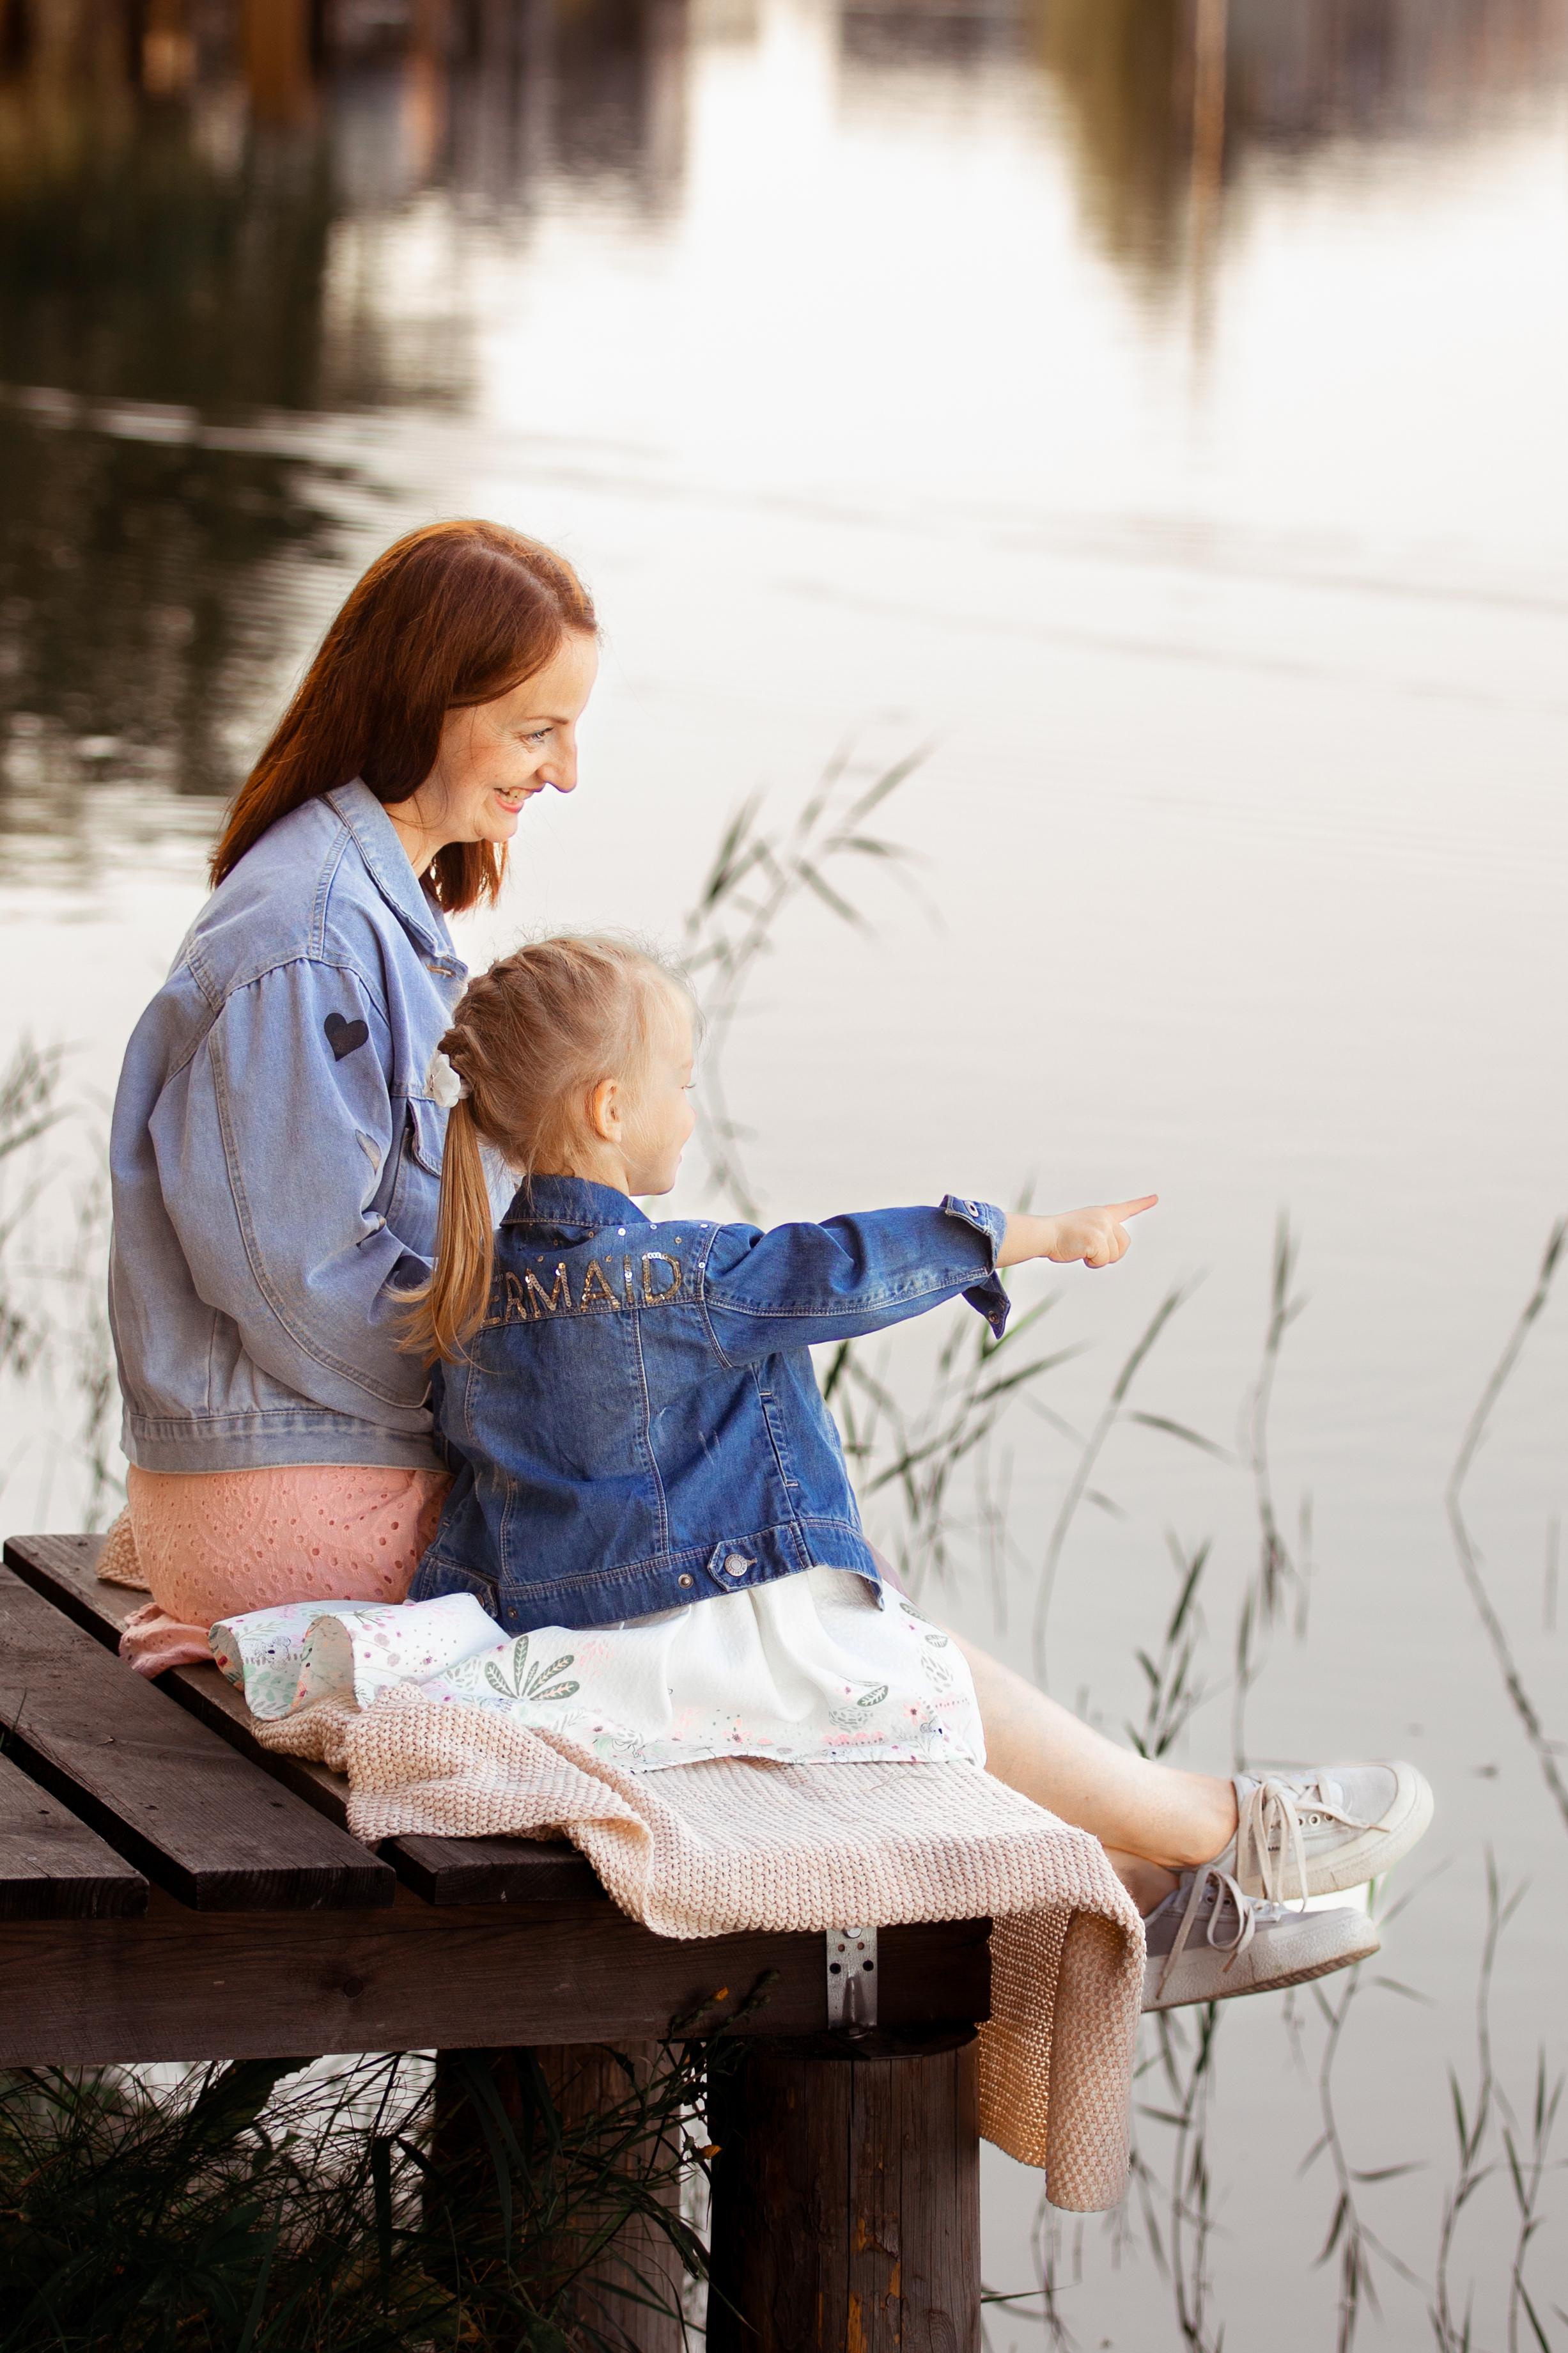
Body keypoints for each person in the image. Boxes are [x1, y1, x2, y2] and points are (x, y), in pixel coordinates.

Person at [105, 518, 1430, 2012]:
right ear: (424, 699)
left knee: (737, 1534)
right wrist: (528, 1372)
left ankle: (1145, 1885)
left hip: (310, 1475)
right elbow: (293, 1291)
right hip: (307, 1488)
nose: (566, 770)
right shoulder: (302, 942)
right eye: (538, 728)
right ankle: (1187, 1841)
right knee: (760, 1584)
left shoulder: (372, 918)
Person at [394, 933, 1430, 2009]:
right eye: (684, 1087)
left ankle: (1160, 1901)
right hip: (678, 1645)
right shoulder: (678, 1275)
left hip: (547, 1640)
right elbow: (843, 1265)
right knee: (913, 1663)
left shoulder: (468, 1290)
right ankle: (1225, 1828)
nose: (693, 1112)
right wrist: (1033, 1234)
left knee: (906, 1666)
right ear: (610, 1111)